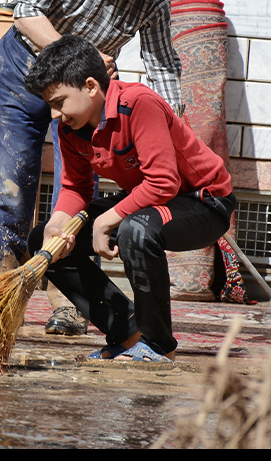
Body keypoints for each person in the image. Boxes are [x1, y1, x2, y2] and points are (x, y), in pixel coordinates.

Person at [0, 0, 182, 336]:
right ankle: (3, 296)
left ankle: (68, 306)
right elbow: (26, 10)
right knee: (11, 182)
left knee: (74, 193)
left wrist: (175, 136)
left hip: (88, 95)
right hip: (25, 69)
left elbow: (164, 66)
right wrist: (78, 59)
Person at [23, 35, 235, 361]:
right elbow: (77, 187)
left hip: (203, 202)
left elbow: (164, 182)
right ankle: (126, 331)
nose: (55, 114)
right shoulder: (69, 127)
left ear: (91, 86)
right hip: (149, 200)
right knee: (43, 240)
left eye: (60, 101)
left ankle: (157, 344)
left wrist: (107, 220)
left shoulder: (137, 103)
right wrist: (57, 224)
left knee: (133, 229)